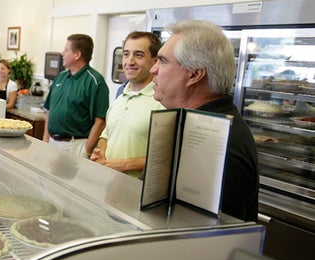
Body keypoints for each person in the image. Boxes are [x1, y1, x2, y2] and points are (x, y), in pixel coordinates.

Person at [148, 20, 258, 221]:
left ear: (195, 74)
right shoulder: (194, 123)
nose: (152, 70)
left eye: (162, 61)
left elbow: (213, 238)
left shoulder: (218, 142)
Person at [90, 31, 165, 178]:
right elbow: (106, 135)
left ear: (154, 61)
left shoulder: (162, 102)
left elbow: (165, 158)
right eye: (126, 54)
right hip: (109, 185)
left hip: (136, 190)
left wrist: (123, 165)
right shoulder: (121, 95)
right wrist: (100, 151)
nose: (129, 62)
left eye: (138, 55)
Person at [43, 34, 109, 158]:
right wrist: (45, 140)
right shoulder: (60, 77)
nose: (62, 53)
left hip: (75, 146)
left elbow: (100, 121)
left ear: (77, 55)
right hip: (52, 143)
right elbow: (49, 111)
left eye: (66, 50)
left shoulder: (95, 81)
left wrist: (86, 150)